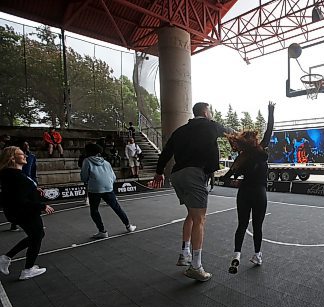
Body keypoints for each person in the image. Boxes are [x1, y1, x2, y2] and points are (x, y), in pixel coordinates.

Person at [150, 102, 233, 282]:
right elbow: (231, 132)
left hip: (178, 175)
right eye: (210, 110)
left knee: (192, 215)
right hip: (195, 173)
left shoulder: (179, 131)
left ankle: (184, 253)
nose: (211, 113)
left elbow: (165, 153)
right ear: (205, 112)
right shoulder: (211, 125)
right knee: (200, 219)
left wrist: (158, 173)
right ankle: (196, 267)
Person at [222, 102, 275, 274]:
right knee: (257, 227)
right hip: (260, 193)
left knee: (242, 225)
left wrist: (231, 178)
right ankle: (257, 255)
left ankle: (237, 254)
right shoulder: (261, 150)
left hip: (244, 192)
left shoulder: (241, 159)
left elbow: (225, 177)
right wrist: (271, 111)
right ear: (256, 140)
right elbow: (269, 131)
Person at [0, 146, 54, 280]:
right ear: (12, 158)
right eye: (21, 154)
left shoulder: (13, 174)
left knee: (36, 235)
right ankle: (27, 269)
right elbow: (18, 199)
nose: (25, 155)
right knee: (37, 235)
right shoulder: (15, 176)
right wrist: (42, 205)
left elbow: (18, 192)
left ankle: (7, 258)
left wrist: (34, 190)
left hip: (22, 212)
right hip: (25, 212)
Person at [80, 143, 136, 239]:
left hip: (94, 189)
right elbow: (113, 177)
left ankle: (102, 231)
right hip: (108, 188)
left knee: (94, 210)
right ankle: (128, 226)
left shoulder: (87, 161)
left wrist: (88, 181)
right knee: (116, 207)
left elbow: (84, 176)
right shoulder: (106, 162)